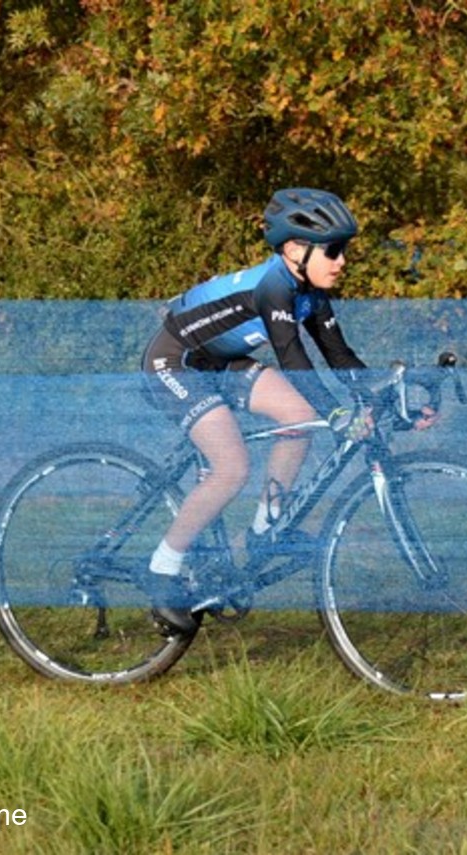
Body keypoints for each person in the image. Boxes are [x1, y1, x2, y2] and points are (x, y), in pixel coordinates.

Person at [140, 187, 434, 634]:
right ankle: (162, 570)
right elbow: (295, 361)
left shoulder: (309, 293)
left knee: (299, 419)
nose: (342, 261)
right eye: (333, 250)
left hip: (217, 360)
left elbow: (339, 356)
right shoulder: (274, 288)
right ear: (295, 250)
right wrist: (337, 413)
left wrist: (393, 393)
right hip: (174, 360)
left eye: (344, 249)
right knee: (231, 467)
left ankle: (264, 530)